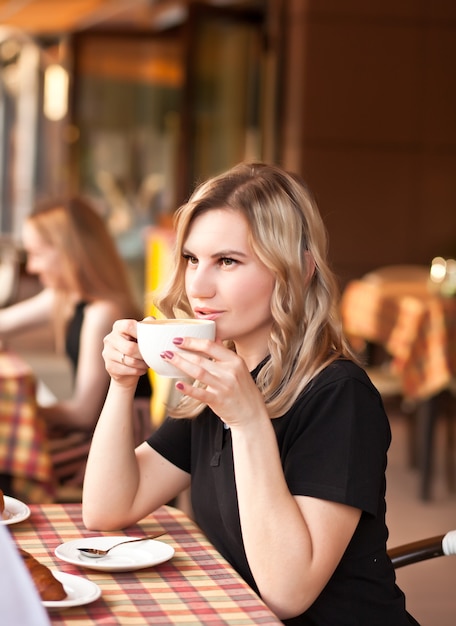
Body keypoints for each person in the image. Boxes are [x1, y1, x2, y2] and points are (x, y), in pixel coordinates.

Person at [82, 163, 419, 625]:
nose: (198, 285)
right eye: (192, 259)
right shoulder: (219, 382)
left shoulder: (340, 397)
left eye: (228, 261)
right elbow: (107, 509)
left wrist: (247, 419)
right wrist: (121, 385)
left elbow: (286, 593)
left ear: (298, 270)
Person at [0, 197, 151, 494]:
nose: (31, 266)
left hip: (119, 440)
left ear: (70, 253)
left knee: (14, 464)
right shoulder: (66, 297)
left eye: (37, 254)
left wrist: (27, 409)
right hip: (95, 429)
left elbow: (83, 414)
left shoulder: (102, 313)